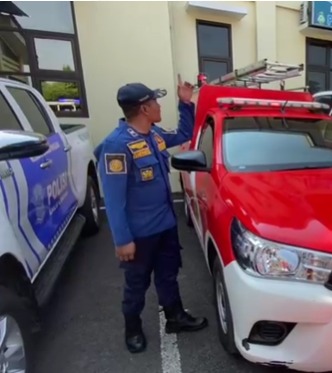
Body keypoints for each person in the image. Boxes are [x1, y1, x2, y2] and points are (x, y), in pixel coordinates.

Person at [94, 77, 208, 354]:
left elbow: (183, 133)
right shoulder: (116, 146)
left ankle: (175, 317)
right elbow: (114, 199)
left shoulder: (154, 135)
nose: (159, 106)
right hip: (140, 234)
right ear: (144, 109)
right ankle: (132, 328)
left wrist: (185, 103)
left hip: (165, 225)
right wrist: (122, 240)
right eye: (155, 102)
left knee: (168, 276)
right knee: (137, 284)